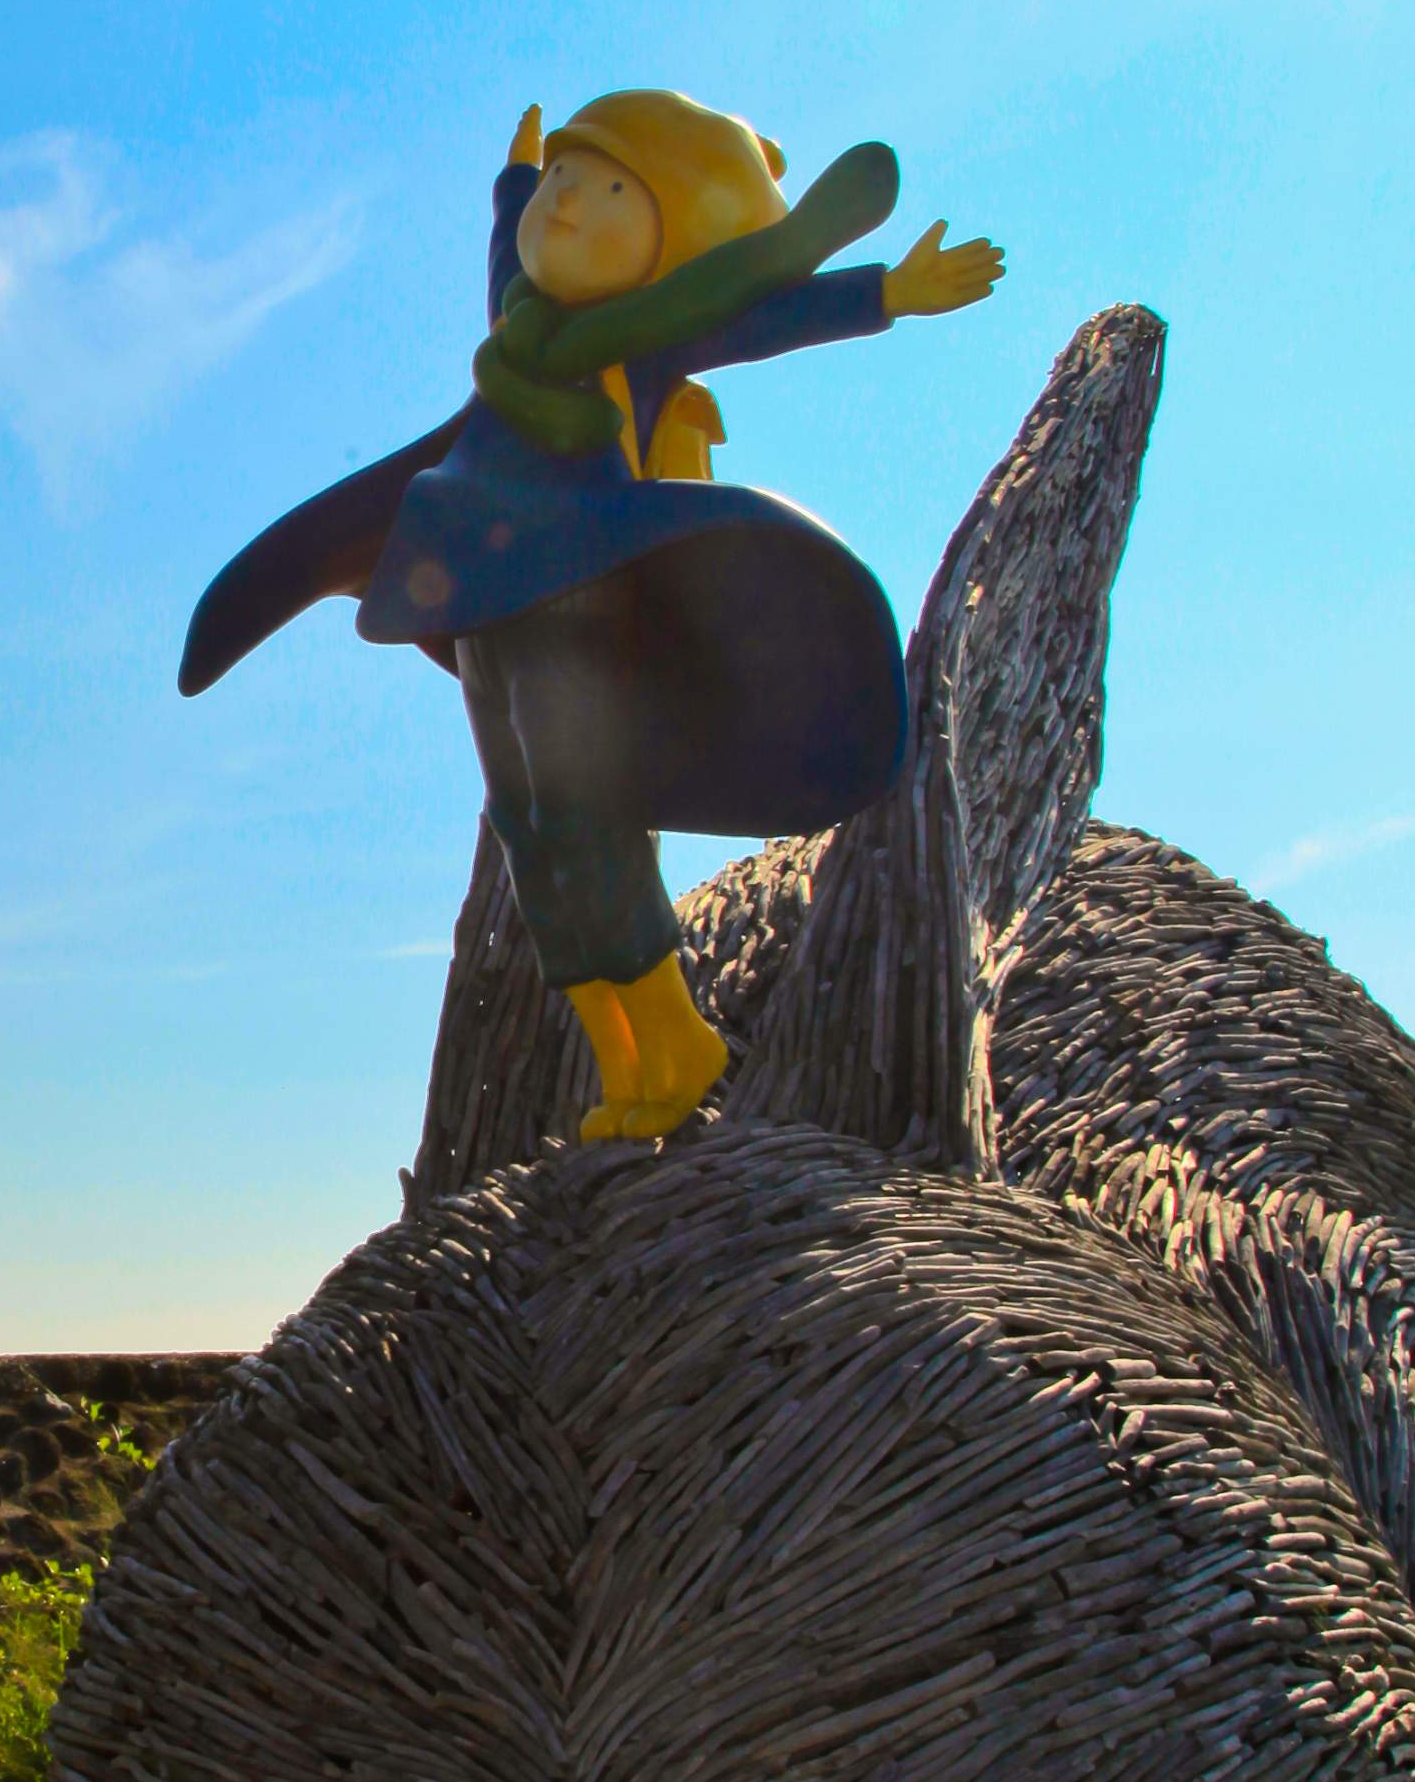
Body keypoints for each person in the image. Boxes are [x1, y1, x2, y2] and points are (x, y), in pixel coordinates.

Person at [180, 89, 1004, 1135]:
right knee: (527, 831)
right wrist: (515, 181)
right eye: (566, 181)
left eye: (612, 189)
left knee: (585, 815)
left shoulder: (639, 342)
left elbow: (758, 315)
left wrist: (889, 290)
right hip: (487, 616)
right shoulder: (518, 336)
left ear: (671, 233)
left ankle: (679, 1040)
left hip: (580, 598)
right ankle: (623, 1069)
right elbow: (508, 257)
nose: (571, 202)